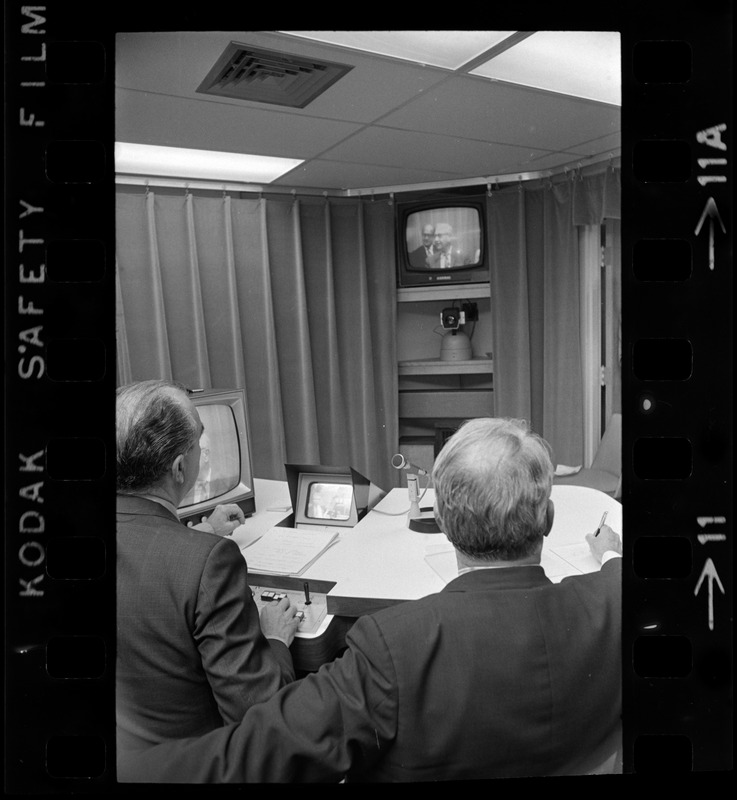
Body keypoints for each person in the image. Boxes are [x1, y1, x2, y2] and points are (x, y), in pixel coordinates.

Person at [119, 417, 623, 783]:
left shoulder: (393, 646)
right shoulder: (615, 601)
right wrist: (607, 558)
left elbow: (261, 752)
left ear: (441, 520)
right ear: (549, 519)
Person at [116, 379, 299, 761]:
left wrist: (203, 530)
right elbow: (258, 715)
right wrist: (274, 641)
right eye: (199, 440)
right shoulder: (211, 561)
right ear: (180, 468)